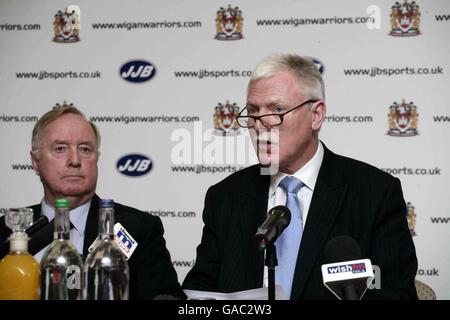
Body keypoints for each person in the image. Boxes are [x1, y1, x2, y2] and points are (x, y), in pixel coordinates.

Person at [182, 53, 418, 299]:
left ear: (316, 116)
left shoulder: (375, 193)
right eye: (253, 111)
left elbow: (395, 292)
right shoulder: (224, 197)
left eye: (277, 110)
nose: (260, 125)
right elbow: (201, 290)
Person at [0, 103, 185, 300]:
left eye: (85, 149)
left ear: (96, 158)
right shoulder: (5, 232)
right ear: (35, 162)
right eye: (60, 148)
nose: (75, 160)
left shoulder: (139, 230)